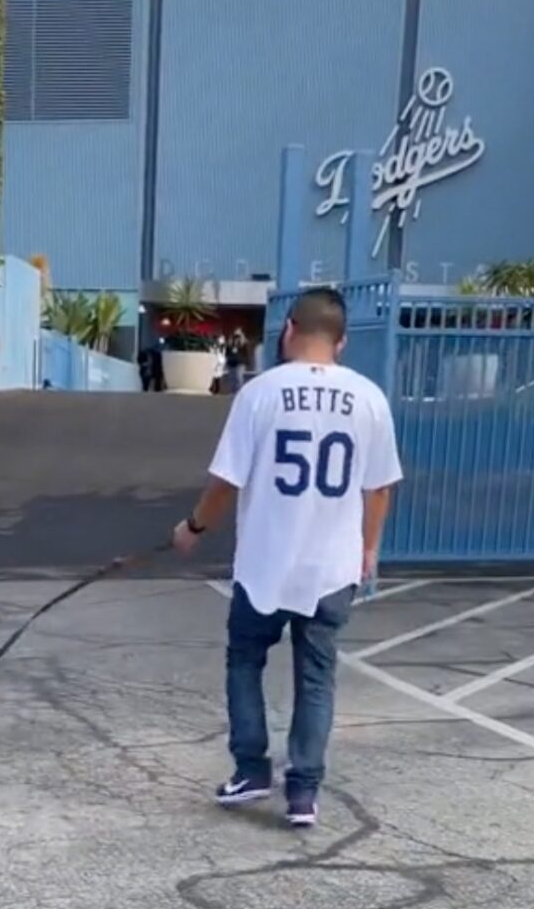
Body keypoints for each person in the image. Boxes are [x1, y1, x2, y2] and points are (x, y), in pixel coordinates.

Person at [172, 288, 402, 828]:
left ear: (290, 331)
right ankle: (303, 793)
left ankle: (252, 770)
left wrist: (194, 527)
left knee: (245, 661)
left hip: (264, 567)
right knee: (317, 676)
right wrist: (369, 549)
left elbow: (227, 480)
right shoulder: (369, 398)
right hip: (332, 569)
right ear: (341, 341)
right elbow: (381, 487)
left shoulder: (261, 393)